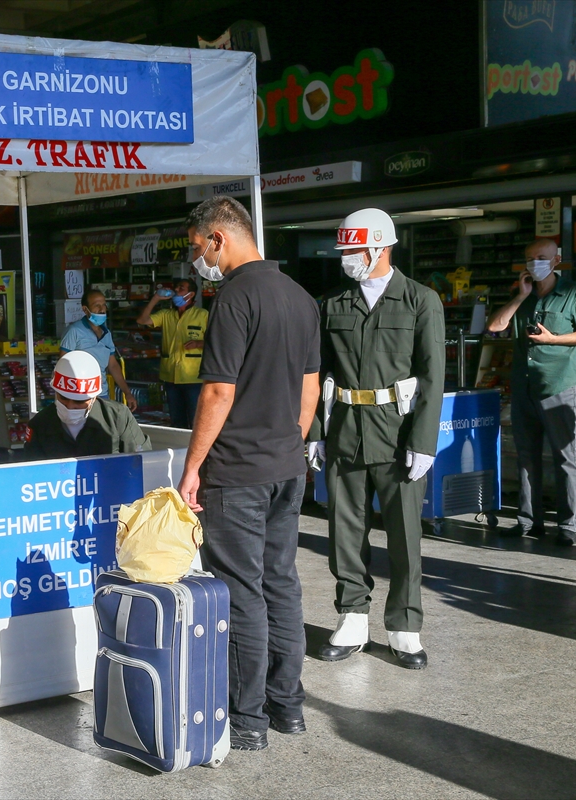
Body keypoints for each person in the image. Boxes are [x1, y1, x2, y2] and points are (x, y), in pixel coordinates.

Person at [174, 196, 320, 752]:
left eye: (197, 248)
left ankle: (249, 719)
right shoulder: (301, 298)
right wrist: (290, 441)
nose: (197, 260)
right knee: (282, 583)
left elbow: (217, 390)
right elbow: (311, 385)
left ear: (219, 238)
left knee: (242, 593)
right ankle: (289, 707)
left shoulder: (234, 298)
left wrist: (192, 468)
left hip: (237, 472)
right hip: (287, 466)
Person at [308, 208, 445, 671]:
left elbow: (432, 377)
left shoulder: (420, 301)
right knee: (344, 532)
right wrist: (314, 432)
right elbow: (316, 373)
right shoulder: (332, 304)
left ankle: (405, 625)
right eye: (343, 249)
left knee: (406, 535)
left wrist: (424, 442)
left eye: (354, 249)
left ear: (381, 247)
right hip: (345, 430)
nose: (347, 257)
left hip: (398, 433)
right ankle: (351, 617)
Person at [486, 237, 576, 546]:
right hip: (524, 387)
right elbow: (494, 326)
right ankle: (529, 521)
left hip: (558, 385)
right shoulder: (522, 295)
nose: (535, 264)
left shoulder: (574, 293)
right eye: (530, 259)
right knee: (527, 456)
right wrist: (521, 296)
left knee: (565, 457)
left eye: (541, 258)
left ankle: (568, 526)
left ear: (556, 260)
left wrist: (553, 340)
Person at [26, 350, 149, 459]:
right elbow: (31, 475)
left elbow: (143, 462)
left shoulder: (118, 417)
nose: (70, 406)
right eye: (64, 398)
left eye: (79, 401)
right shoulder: (39, 425)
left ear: (93, 397)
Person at [137, 278, 209, 427]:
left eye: (181, 288)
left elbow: (218, 340)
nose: (176, 290)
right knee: (177, 420)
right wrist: (156, 298)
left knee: (196, 420)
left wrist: (198, 343)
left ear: (190, 295)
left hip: (193, 378)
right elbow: (142, 320)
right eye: (176, 288)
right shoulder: (166, 314)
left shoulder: (202, 315)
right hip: (170, 377)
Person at [59, 289, 138, 411]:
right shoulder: (74, 331)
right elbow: (63, 365)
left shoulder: (106, 334)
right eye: (96, 306)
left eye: (104, 305)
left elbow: (113, 365)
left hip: (102, 394)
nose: (102, 309)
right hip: (80, 397)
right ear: (85, 309)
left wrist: (127, 393)